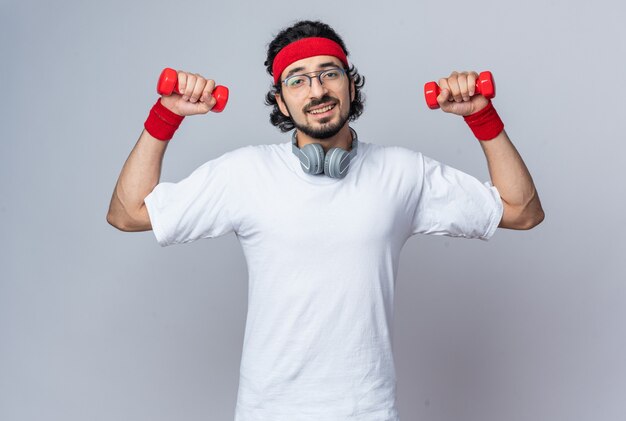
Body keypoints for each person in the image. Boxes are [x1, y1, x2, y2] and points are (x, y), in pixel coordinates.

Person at [107, 19, 543, 421]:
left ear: (351, 85)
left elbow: (522, 211)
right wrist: (166, 115)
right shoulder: (244, 174)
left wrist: (481, 117)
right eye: (297, 80)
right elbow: (128, 214)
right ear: (280, 99)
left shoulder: (403, 172)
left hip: (368, 412)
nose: (317, 90)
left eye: (329, 73)